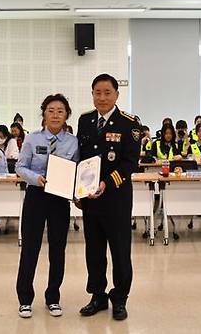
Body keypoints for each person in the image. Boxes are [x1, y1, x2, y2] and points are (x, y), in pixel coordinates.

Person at [77, 73, 140, 321]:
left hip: (116, 199)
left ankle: (120, 298)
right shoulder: (85, 121)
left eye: (107, 93)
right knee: (94, 250)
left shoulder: (129, 123)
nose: (102, 97)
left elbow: (129, 163)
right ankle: (98, 296)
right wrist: (77, 191)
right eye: (97, 93)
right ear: (92, 94)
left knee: (120, 251)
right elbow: (80, 159)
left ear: (116, 94)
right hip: (90, 201)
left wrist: (106, 183)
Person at [15, 94, 79, 319]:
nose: (55, 115)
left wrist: (77, 193)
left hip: (59, 199)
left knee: (57, 250)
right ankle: (25, 299)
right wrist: (36, 178)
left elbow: (77, 172)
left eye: (60, 111)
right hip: (36, 196)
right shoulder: (32, 139)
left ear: (66, 115)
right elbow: (20, 167)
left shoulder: (73, 142)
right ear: (44, 113)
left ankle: (53, 297)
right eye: (51, 110)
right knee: (30, 248)